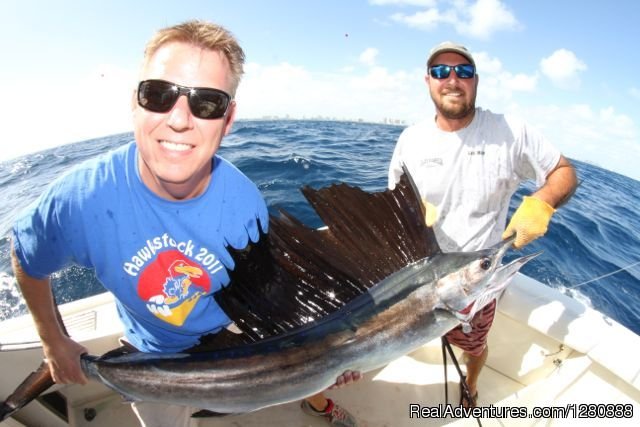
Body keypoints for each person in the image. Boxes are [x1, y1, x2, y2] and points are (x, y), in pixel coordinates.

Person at [11, 20, 358, 427]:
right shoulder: (79, 198)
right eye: (158, 95)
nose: (179, 119)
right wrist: (53, 342)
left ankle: (315, 399)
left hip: (236, 351)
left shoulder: (246, 204)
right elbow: (26, 254)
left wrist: (329, 360)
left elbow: (267, 303)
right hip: (150, 360)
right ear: (135, 103)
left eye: (206, 103)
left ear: (227, 120)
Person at [388, 41, 577, 408]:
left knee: (474, 346)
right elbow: (393, 207)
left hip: (477, 289)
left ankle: (470, 386)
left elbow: (563, 171)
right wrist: (411, 214)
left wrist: (543, 201)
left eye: (463, 71)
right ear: (428, 81)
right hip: (414, 280)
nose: (452, 79)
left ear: (476, 80)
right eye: (441, 72)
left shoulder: (511, 132)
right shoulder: (410, 139)